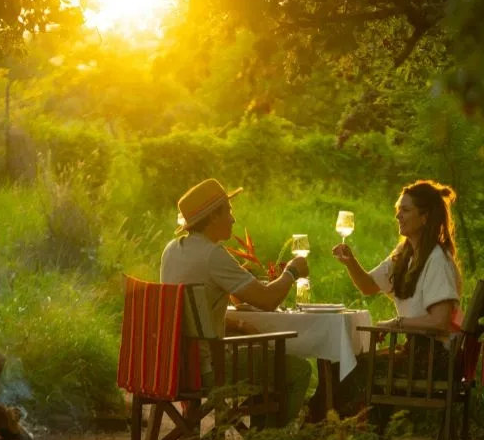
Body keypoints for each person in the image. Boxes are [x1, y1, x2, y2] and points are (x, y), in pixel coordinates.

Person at [160, 178, 312, 427]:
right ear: (213, 217)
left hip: (177, 365)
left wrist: (239, 319)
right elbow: (268, 301)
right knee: (296, 370)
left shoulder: (172, 250)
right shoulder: (213, 255)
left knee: (265, 360)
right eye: (228, 211)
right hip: (208, 370)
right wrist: (292, 272)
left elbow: (192, 314)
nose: (233, 219)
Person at [331, 179, 463, 425]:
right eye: (398, 210)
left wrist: (397, 324)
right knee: (339, 366)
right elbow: (368, 286)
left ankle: (335, 437)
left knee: (352, 370)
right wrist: (350, 262)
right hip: (412, 354)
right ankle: (344, 439)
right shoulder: (405, 255)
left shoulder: (437, 260)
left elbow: (441, 321)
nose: (398, 216)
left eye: (405, 210)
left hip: (433, 360)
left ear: (425, 217)